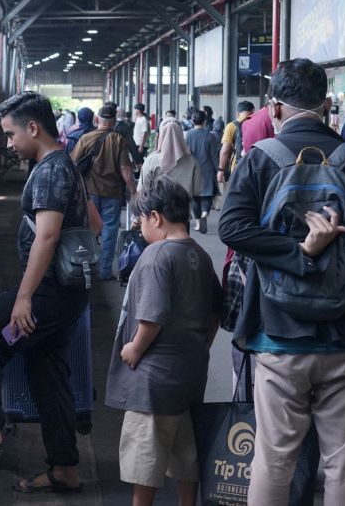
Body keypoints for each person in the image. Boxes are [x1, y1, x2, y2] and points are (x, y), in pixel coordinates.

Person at [219, 58, 345, 504]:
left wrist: (297, 255)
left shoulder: (262, 158)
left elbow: (232, 228)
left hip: (278, 334)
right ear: (326, 104)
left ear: (274, 107)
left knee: (274, 458)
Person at [0, 92, 92, 494]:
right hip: (66, 292)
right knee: (47, 371)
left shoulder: (48, 171)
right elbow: (92, 221)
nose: (9, 143)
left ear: (32, 128)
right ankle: (65, 468)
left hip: (46, 294)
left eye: (11, 134)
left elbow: (46, 236)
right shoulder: (66, 165)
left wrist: (24, 298)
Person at [107, 177, 221, 506]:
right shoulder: (199, 254)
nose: (141, 227)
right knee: (187, 454)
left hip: (153, 381)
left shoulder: (157, 255)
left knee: (145, 460)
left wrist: (135, 348)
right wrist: (202, 344)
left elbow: (152, 316)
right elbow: (216, 310)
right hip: (190, 373)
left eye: (142, 220)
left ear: (155, 217)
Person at [72, 102, 137, 281]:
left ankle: (85, 270)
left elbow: (72, 165)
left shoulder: (86, 138)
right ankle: (104, 271)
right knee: (109, 231)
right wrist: (133, 190)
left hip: (89, 193)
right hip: (112, 193)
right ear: (114, 121)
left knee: (88, 230)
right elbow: (125, 168)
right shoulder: (118, 140)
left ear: (97, 119)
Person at [140, 121, 202, 203]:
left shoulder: (151, 160)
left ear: (161, 136)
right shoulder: (192, 161)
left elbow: (143, 188)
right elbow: (197, 190)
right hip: (183, 209)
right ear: (181, 135)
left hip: (157, 209)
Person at [184, 111, 220, 234]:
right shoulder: (211, 136)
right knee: (207, 196)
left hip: (193, 170)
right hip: (207, 170)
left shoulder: (187, 135)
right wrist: (218, 170)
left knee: (195, 198)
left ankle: (199, 223)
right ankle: (205, 214)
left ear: (192, 121)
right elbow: (214, 156)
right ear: (205, 121)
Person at [217, 100, 255, 185]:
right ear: (253, 111)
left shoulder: (231, 126)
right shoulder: (257, 124)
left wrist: (221, 170)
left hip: (237, 166)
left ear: (237, 113)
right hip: (255, 164)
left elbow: (225, 151)